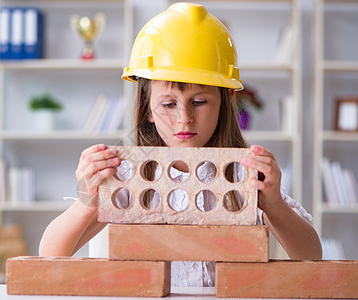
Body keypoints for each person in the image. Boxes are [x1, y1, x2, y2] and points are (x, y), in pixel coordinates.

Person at [39, 2, 322, 287]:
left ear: (224, 104)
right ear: (147, 110)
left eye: (199, 102)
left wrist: (273, 205)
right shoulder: (128, 177)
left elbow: (311, 256)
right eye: (168, 104)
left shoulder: (243, 175)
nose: (184, 118)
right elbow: (50, 255)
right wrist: (86, 200)